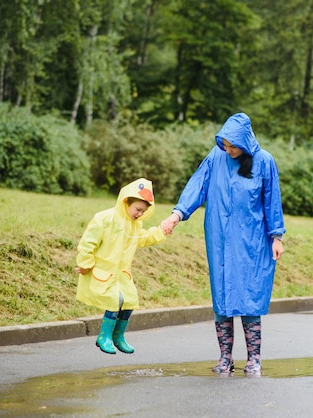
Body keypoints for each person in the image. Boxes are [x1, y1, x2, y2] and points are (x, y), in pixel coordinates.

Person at [162, 112, 285, 376]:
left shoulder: (264, 161)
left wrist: (277, 236)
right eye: (225, 144)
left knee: (249, 294)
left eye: (232, 145)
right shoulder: (216, 158)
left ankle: (254, 359)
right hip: (219, 237)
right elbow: (197, 187)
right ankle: (225, 357)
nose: (228, 150)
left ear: (245, 141)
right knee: (222, 295)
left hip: (252, 240)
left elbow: (271, 199)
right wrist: (177, 214)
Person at [75, 178, 169, 354]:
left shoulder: (134, 226)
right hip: (103, 271)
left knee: (129, 300)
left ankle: (118, 336)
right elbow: (88, 242)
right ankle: (104, 336)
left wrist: (161, 231)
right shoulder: (105, 218)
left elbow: (143, 238)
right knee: (115, 300)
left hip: (121, 275)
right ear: (126, 201)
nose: (140, 214)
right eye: (138, 209)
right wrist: (85, 263)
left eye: (143, 211)